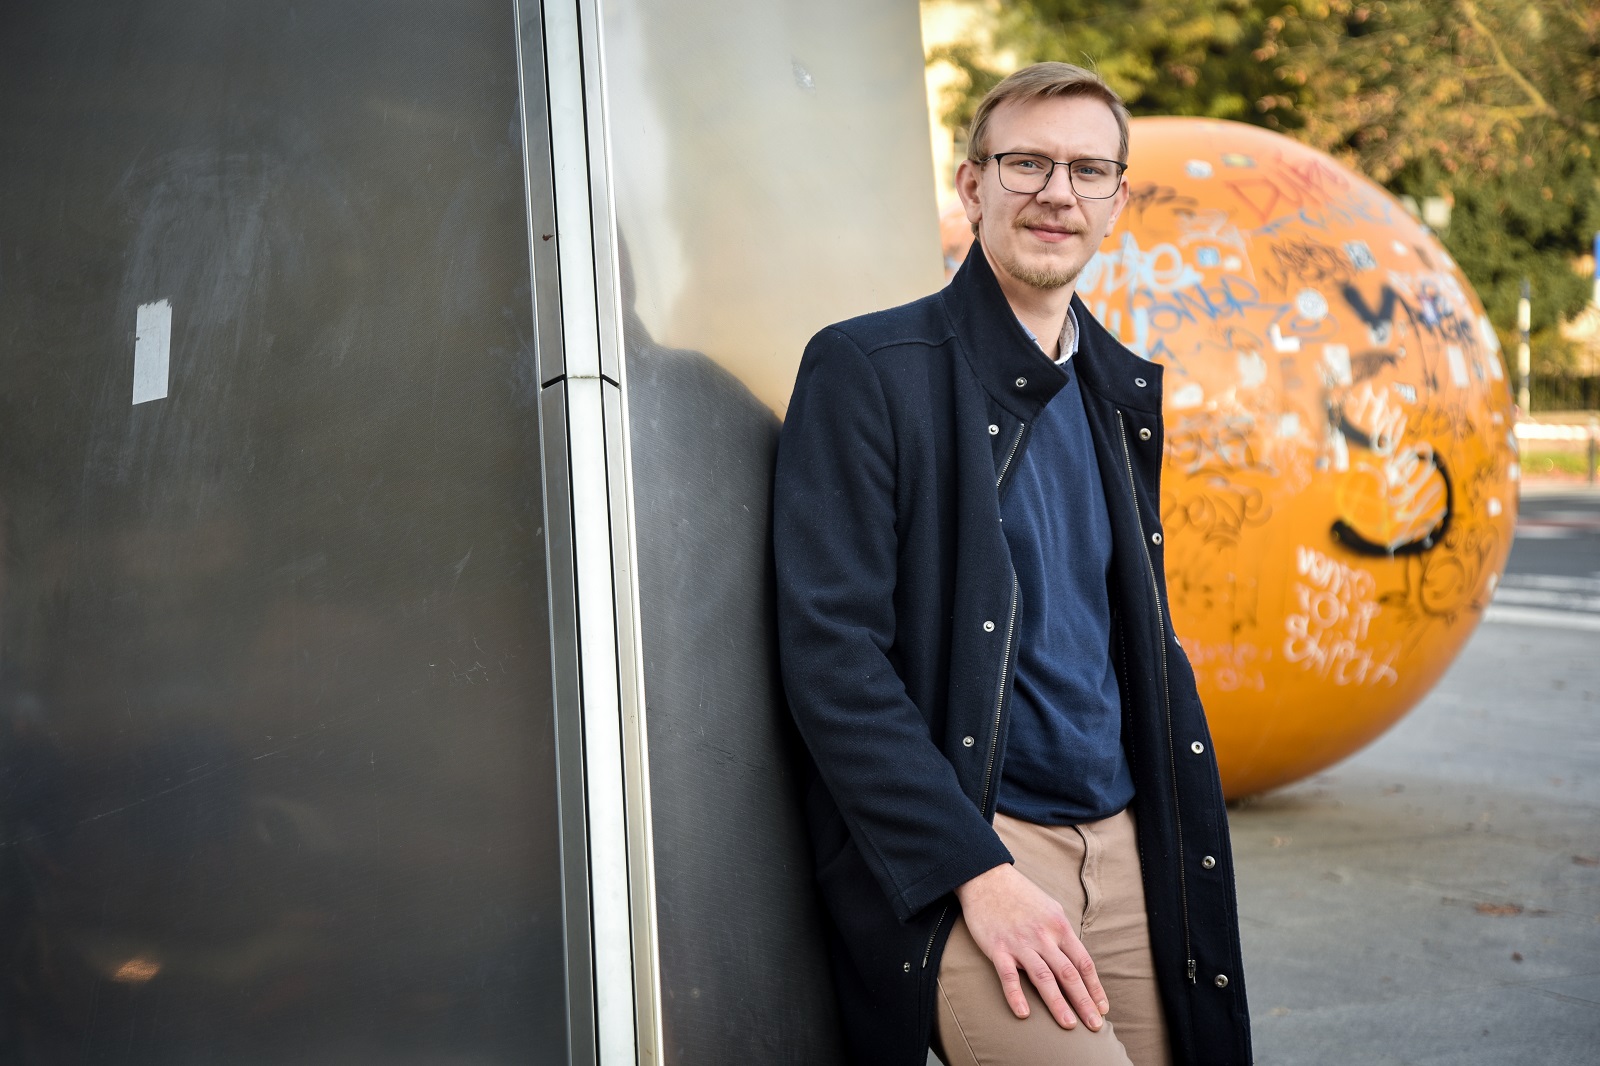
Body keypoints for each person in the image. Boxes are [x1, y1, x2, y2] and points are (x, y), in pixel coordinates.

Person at [773, 63, 1252, 1066]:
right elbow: (834, 658)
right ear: (971, 184)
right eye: (1026, 162)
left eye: (1086, 170)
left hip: (1123, 842)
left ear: (1117, 201)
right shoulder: (869, 369)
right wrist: (974, 872)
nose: (1055, 192)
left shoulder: (1115, 388)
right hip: (976, 844)